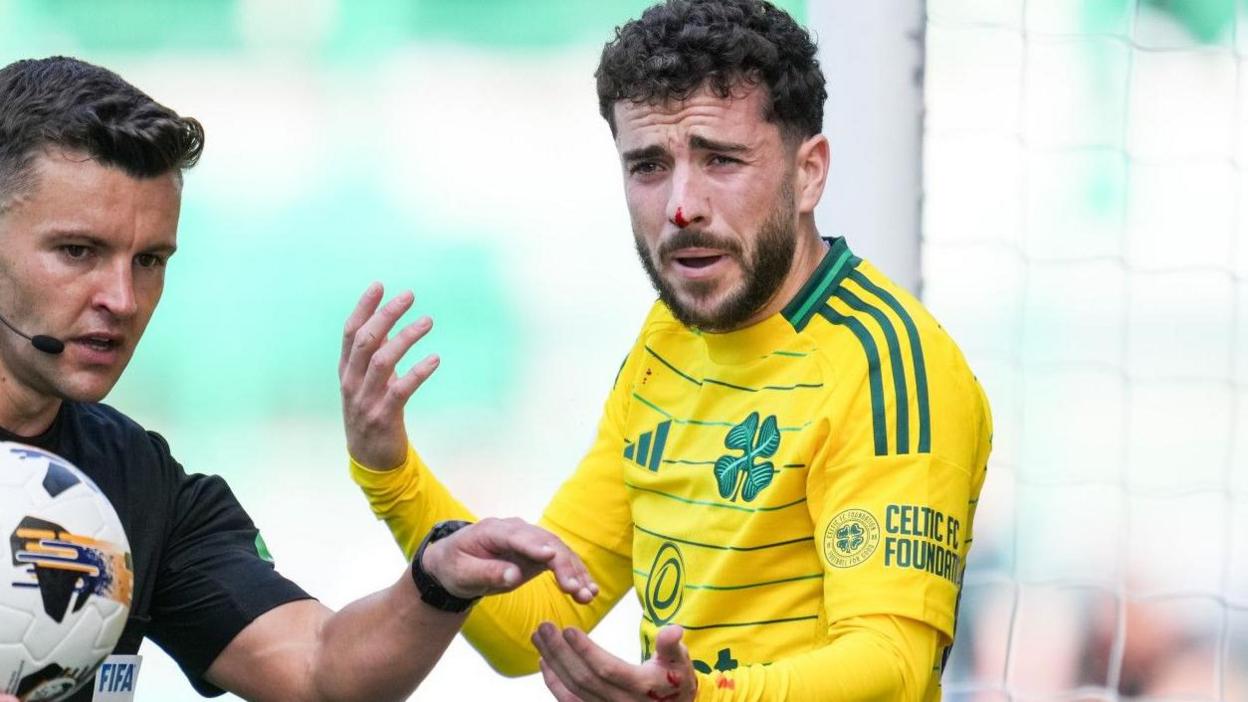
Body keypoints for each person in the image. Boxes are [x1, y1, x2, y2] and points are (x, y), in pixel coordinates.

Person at [344, 0, 992, 699]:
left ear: (809, 173)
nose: (682, 205)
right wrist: (394, 478)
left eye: (721, 159)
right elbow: (538, 620)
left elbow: (891, 667)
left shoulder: (889, 364)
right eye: (649, 166)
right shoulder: (666, 341)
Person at [0, 56, 598, 702]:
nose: (122, 297)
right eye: (77, 252)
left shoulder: (143, 483)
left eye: (150, 260)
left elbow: (317, 670)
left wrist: (438, 579)